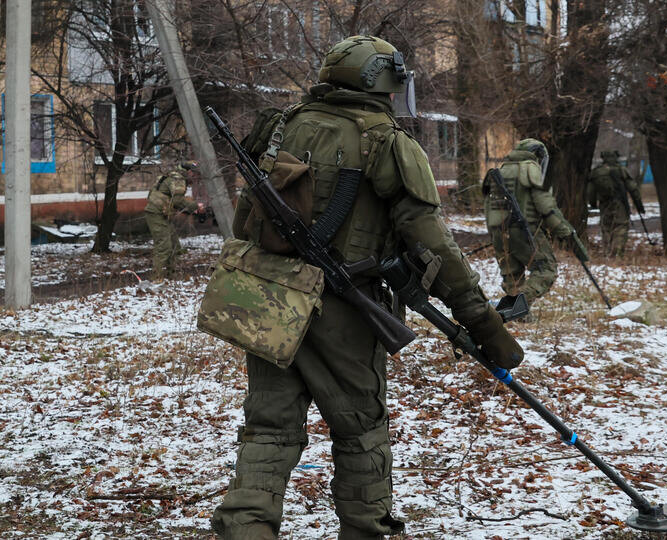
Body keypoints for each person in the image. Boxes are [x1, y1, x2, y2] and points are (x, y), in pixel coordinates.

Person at [211, 35, 523, 540]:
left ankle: (245, 528)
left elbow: (245, 221)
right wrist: (484, 323)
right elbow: (434, 245)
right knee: (361, 431)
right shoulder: (387, 142)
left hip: (270, 300)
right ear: (382, 81)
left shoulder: (281, 126)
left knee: (268, 428)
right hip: (343, 312)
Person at [483, 139, 589, 304]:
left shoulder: (500, 171)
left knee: (513, 278)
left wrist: (494, 233)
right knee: (546, 270)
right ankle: (516, 304)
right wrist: (564, 230)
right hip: (525, 230)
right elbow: (546, 206)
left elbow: (488, 206)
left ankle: (517, 313)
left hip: (499, 231)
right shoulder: (530, 169)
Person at [143, 161, 204, 280]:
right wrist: (195, 206)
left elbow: (173, 200)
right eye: (194, 174)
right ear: (189, 172)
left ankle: (171, 276)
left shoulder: (172, 176)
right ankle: (157, 279)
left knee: (175, 245)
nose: (195, 177)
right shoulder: (178, 180)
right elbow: (177, 201)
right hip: (156, 214)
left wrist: (191, 208)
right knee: (164, 247)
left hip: (161, 214)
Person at [587, 150, 644, 256]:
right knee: (620, 226)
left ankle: (607, 251)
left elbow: (590, 192)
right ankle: (617, 251)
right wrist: (639, 205)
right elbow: (633, 189)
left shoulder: (596, 172)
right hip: (620, 204)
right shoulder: (621, 170)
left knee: (606, 227)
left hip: (604, 204)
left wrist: (593, 203)